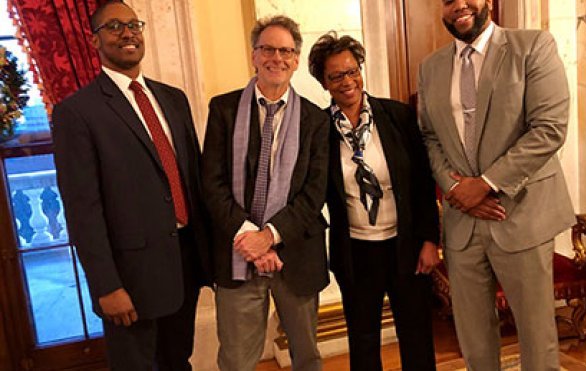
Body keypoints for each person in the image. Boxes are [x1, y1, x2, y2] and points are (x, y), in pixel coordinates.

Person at [52, 1, 210, 370]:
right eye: (114, 26)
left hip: (184, 263)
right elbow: (82, 208)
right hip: (130, 277)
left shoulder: (173, 98)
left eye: (134, 25)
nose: (127, 33)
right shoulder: (77, 112)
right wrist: (106, 285)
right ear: (94, 41)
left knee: (178, 361)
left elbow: (192, 179)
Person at [417, 0, 575, 370]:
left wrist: (486, 184)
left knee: (536, 337)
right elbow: (428, 137)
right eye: (448, 1)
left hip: (520, 214)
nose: (459, 6)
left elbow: (549, 128)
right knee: (473, 337)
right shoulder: (431, 67)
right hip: (462, 225)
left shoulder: (533, 46)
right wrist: (457, 192)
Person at [201, 15, 329, 371]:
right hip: (236, 253)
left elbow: (313, 193)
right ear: (254, 55)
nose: (277, 58)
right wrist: (251, 241)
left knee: (306, 358)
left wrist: (270, 237)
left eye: (286, 51)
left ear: (296, 59)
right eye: (268, 49)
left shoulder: (316, 119)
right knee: (237, 360)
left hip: (296, 254)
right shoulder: (223, 109)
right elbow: (211, 183)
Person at [308, 32, 440, 371]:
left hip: (406, 246)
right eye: (335, 75)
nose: (347, 81)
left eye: (352, 70)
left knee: (416, 334)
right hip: (355, 251)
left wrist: (429, 239)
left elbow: (423, 183)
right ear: (324, 83)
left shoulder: (397, 116)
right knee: (363, 339)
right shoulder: (318, 130)